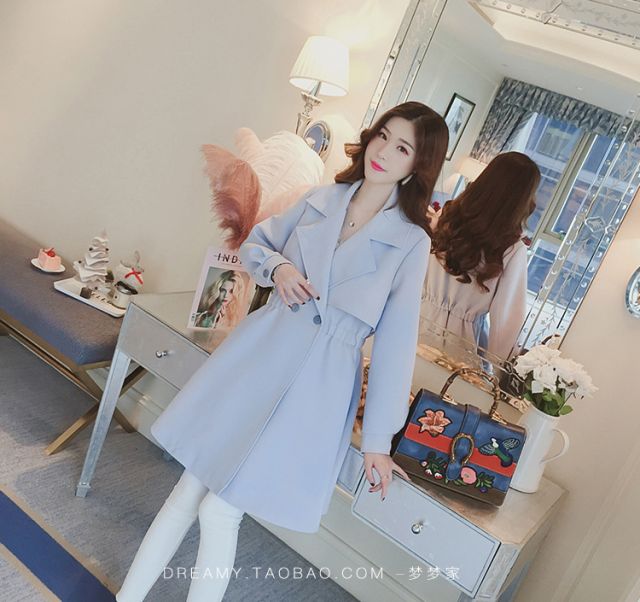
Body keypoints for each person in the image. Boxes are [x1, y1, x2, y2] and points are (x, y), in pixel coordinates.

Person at [115, 101, 449, 602]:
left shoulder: (410, 242)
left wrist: (378, 441)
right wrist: (279, 268)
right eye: (383, 135)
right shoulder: (322, 199)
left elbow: (395, 346)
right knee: (189, 488)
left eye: (403, 148)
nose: (384, 151)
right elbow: (255, 245)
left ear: (417, 166)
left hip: (319, 386)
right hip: (261, 353)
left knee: (221, 509)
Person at [421, 151, 541, 364]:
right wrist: (498, 368)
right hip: (458, 345)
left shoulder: (446, 217)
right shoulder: (511, 249)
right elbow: (505, 324)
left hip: (414, 320)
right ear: (523, 198)